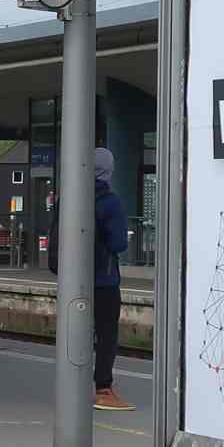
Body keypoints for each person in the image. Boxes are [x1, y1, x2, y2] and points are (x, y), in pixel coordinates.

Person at [92, 147, 134, 411]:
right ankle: (103, 389)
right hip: (104, 280)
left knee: (76, 332)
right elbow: (118, 243)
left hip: (74, 280)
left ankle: (72, 385)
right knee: (106, 334)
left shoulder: (68, 198)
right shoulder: (110, 202)